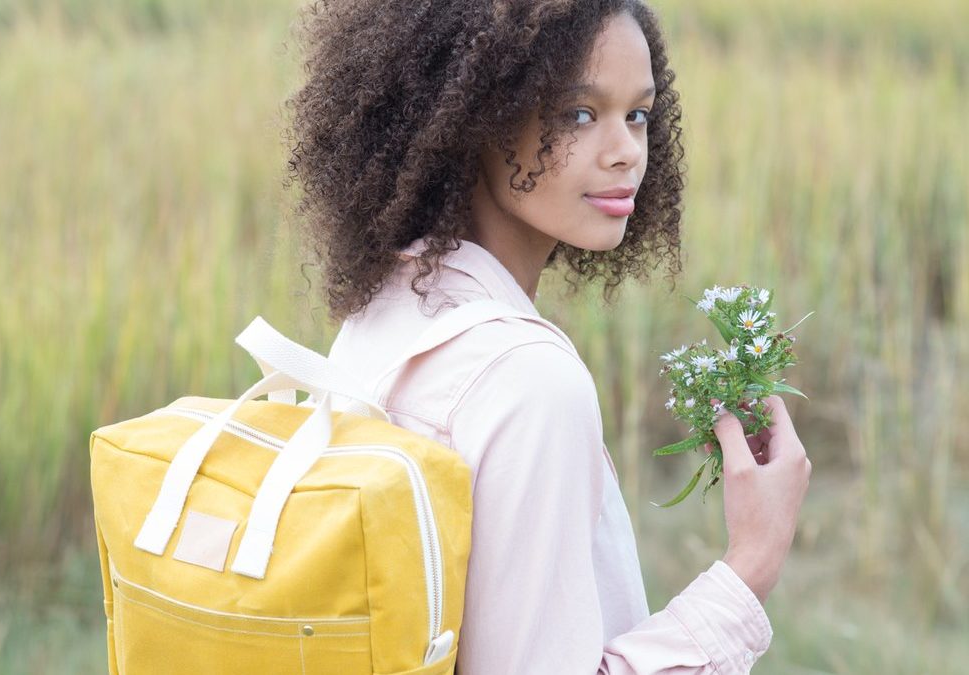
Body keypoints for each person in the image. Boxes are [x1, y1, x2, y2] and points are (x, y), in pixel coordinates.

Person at [286, 1, 812, 672]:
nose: (626, 150)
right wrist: (750, 564)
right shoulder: (529, 382)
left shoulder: (388, 307)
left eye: (639, 114)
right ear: (476, 116)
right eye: (579, 114)